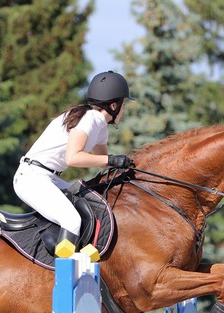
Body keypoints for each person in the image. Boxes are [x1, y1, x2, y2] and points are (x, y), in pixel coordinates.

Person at [13, 71, 134, 260]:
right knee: (71, 220)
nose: (124, 110)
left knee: (86, 206)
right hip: (31, 178)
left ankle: (81, 256)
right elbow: (73, 158)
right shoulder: (89, 119)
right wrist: (111, 160)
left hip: (49, 178)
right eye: (123, 104)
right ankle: (62, 272)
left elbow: (102, 160)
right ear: (113, 105)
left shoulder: (100, 126)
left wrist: (123, 168)